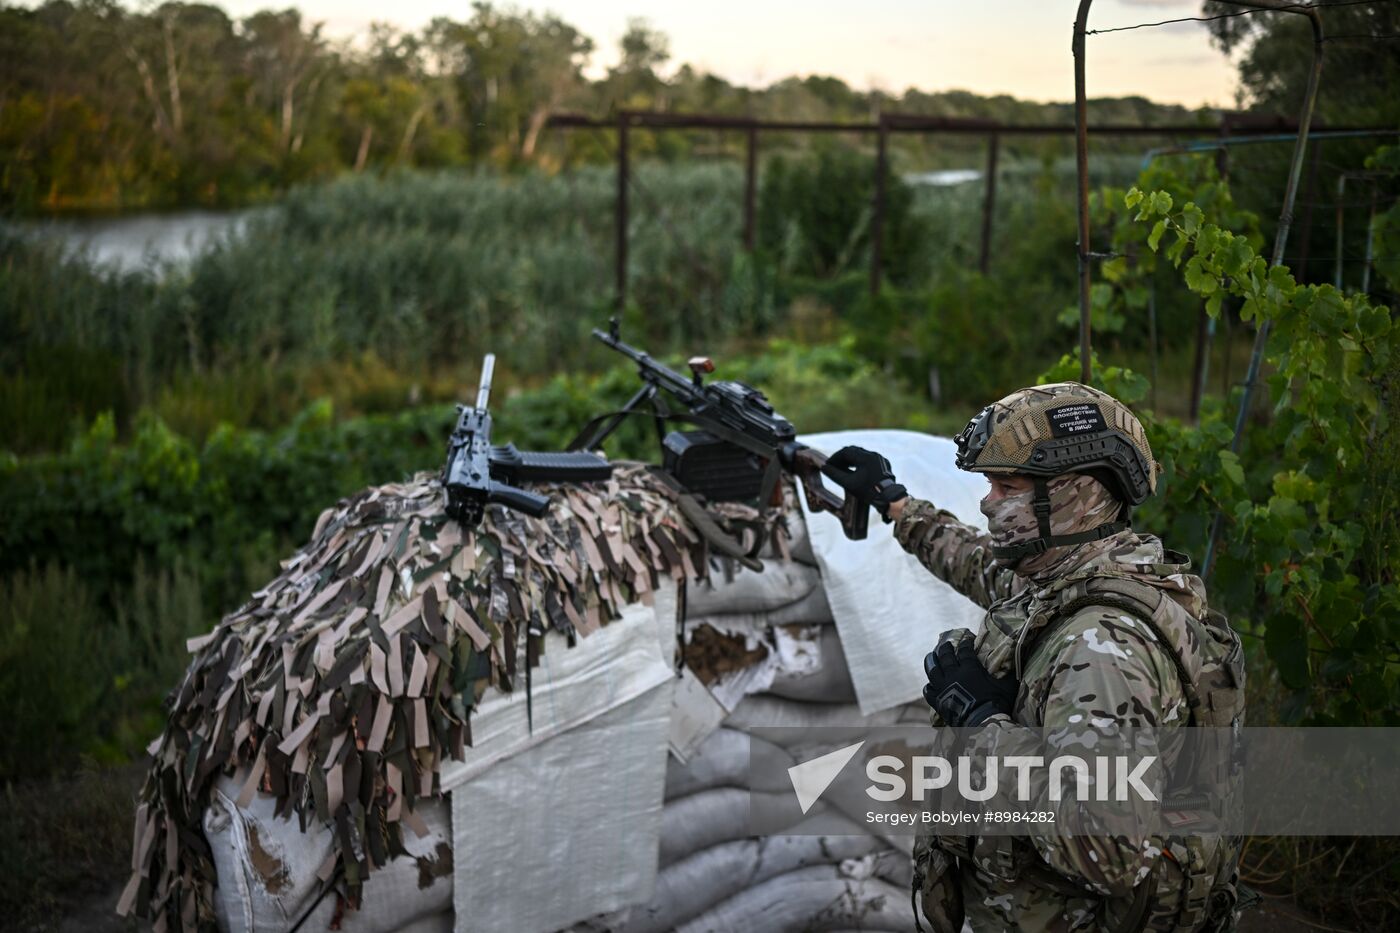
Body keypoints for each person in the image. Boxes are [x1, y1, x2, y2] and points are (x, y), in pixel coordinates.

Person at [820, 382, 1247, 933]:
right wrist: (895, 503)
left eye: (1006, 485)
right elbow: (974, 562)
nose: (987, 500)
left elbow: (1105, 851)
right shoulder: (1079, 577)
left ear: (1074, 495)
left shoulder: (1102, 648)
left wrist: (983, 723)